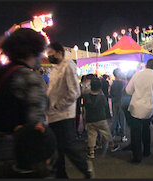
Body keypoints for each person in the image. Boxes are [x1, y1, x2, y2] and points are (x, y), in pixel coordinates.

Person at [0, 28, 49, 178]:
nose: (41, 56)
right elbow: (35, 124)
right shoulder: (30, 77)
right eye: (40, 51)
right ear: (31, 51)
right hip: (17, 155)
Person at [45, 41, 94, 179]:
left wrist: (57, 105)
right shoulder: (55, 69)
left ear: (60, 53)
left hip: (63, 114)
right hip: (52, 115)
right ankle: (61, 175)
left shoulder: (68, 66)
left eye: (51, 53)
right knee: (56, 149)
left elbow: (74, 92)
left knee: (67, 146)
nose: (49, 56)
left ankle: (86, 168)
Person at [125, 59, 153, 164]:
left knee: (135, 132)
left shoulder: (137, 75)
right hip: (148, 108)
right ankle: (147, 151)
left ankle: (137, 156)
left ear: (145, 65)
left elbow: (128, 90)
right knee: (146, 130)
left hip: (136, 107)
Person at [83, 77, 120, 159]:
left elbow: (85, 105)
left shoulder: (86, 96)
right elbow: (105, 106)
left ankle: (91, 152)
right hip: (101, 118)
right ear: (100, 88)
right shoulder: (102, 97)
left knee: (91, 135)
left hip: (90, 119)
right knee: (106, 133)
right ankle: (112, 146)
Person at [110, 68, 128, 142]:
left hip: (114, 101)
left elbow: (110, 93)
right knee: (122, 119)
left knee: (115, 118)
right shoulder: (123, 82)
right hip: (122, 102)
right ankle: (123, 135)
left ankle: (112, 134)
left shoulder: (113, 83)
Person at [121, 69, 136, 151]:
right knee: (133, 127)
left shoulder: (129, 86)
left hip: (129, 107)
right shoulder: (132, 85)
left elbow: (126, 97)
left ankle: (134, 144)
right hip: (131, 107)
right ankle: (134, 143)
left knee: (133, 127)